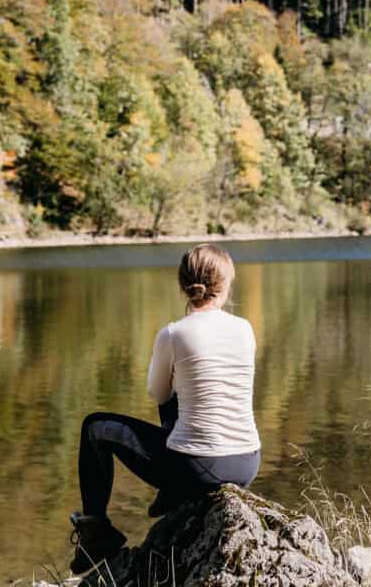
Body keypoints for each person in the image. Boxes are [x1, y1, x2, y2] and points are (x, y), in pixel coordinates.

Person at [69, 244, 261, 574]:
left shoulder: (174, 333)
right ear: (226, 283)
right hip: (247, 463)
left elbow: (157, 393)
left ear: (183, 283)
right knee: (192, 394)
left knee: (94, 427)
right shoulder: (245, 328)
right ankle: (170, 493)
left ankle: (96, 532)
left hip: (196, 469)